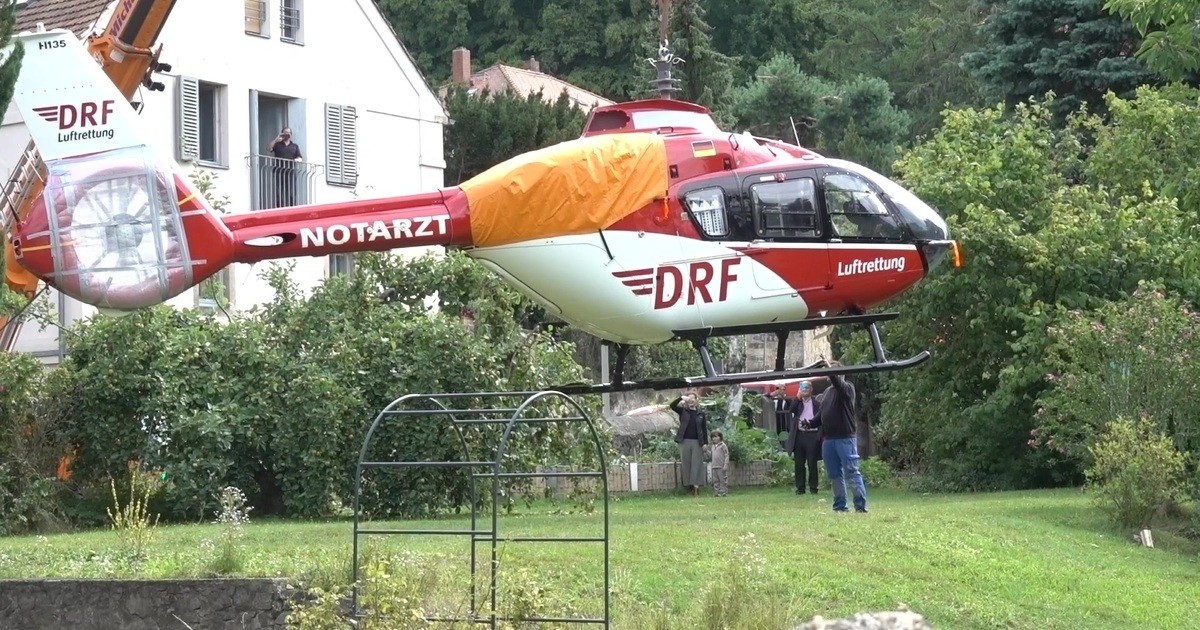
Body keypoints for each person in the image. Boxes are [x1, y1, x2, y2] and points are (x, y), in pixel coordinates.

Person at [813, 361, 867, 513]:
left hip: (845, 438)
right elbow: (821, 414)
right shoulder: (827, 393)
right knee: (834, 474)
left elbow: (838, 384)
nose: (830, 375)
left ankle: (860, 506)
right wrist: (810, 423)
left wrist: (830, 369)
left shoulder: (848, 388)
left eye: (832, 372)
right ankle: (840, 506)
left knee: (852, 472)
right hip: (828, 440)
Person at [784, 381, 822, 495]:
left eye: (806, 388)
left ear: (811, 389)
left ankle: (813, 488)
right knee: (799, 463)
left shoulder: (816, 403)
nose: (804, 390)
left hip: (812, 435)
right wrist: (797, 396)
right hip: (799, 435)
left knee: (812, 463)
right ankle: (800, 489)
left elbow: (820, 417)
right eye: (802, 388)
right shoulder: (798, 402)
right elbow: (791, 410)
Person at [669, 390, 708, 496]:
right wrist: (681, 398)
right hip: (684, 441)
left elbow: (704, 429)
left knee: (697, 464)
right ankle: (689, 487)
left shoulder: (701, 413)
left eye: (693, 398)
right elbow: (672, 405)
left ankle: (696, 487)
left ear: (696, 400)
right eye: (689, 398)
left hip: (697, 442)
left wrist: (705, 443)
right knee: (686, 464)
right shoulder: (683, 411)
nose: (691, 400)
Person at [266, 127, 302, 207]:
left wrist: (296, 160)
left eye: (289, 133)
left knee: (291, 191)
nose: (287, 134)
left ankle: (292, 208)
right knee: (279, 191)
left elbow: (299, 157)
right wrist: (276, 139)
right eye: (285, 133)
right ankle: (280, 207)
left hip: (290, 172)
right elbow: (268, 148)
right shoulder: (277, 145)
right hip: (279, 171)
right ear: (282, 134)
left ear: (291, 135)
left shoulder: (294, 146)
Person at [709, 429, 730, 497]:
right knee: (715, 480)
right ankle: (717, 492)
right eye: (713, 437)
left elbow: (726, 455)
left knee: (722, 479)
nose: (715, 438)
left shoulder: (723, 445)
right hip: (714, 466)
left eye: (716, 436)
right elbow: (712, 455)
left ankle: (723, 491)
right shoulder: (713, 446)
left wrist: (726, 464)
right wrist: (706, 451)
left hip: (721, 466)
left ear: (720, 437)